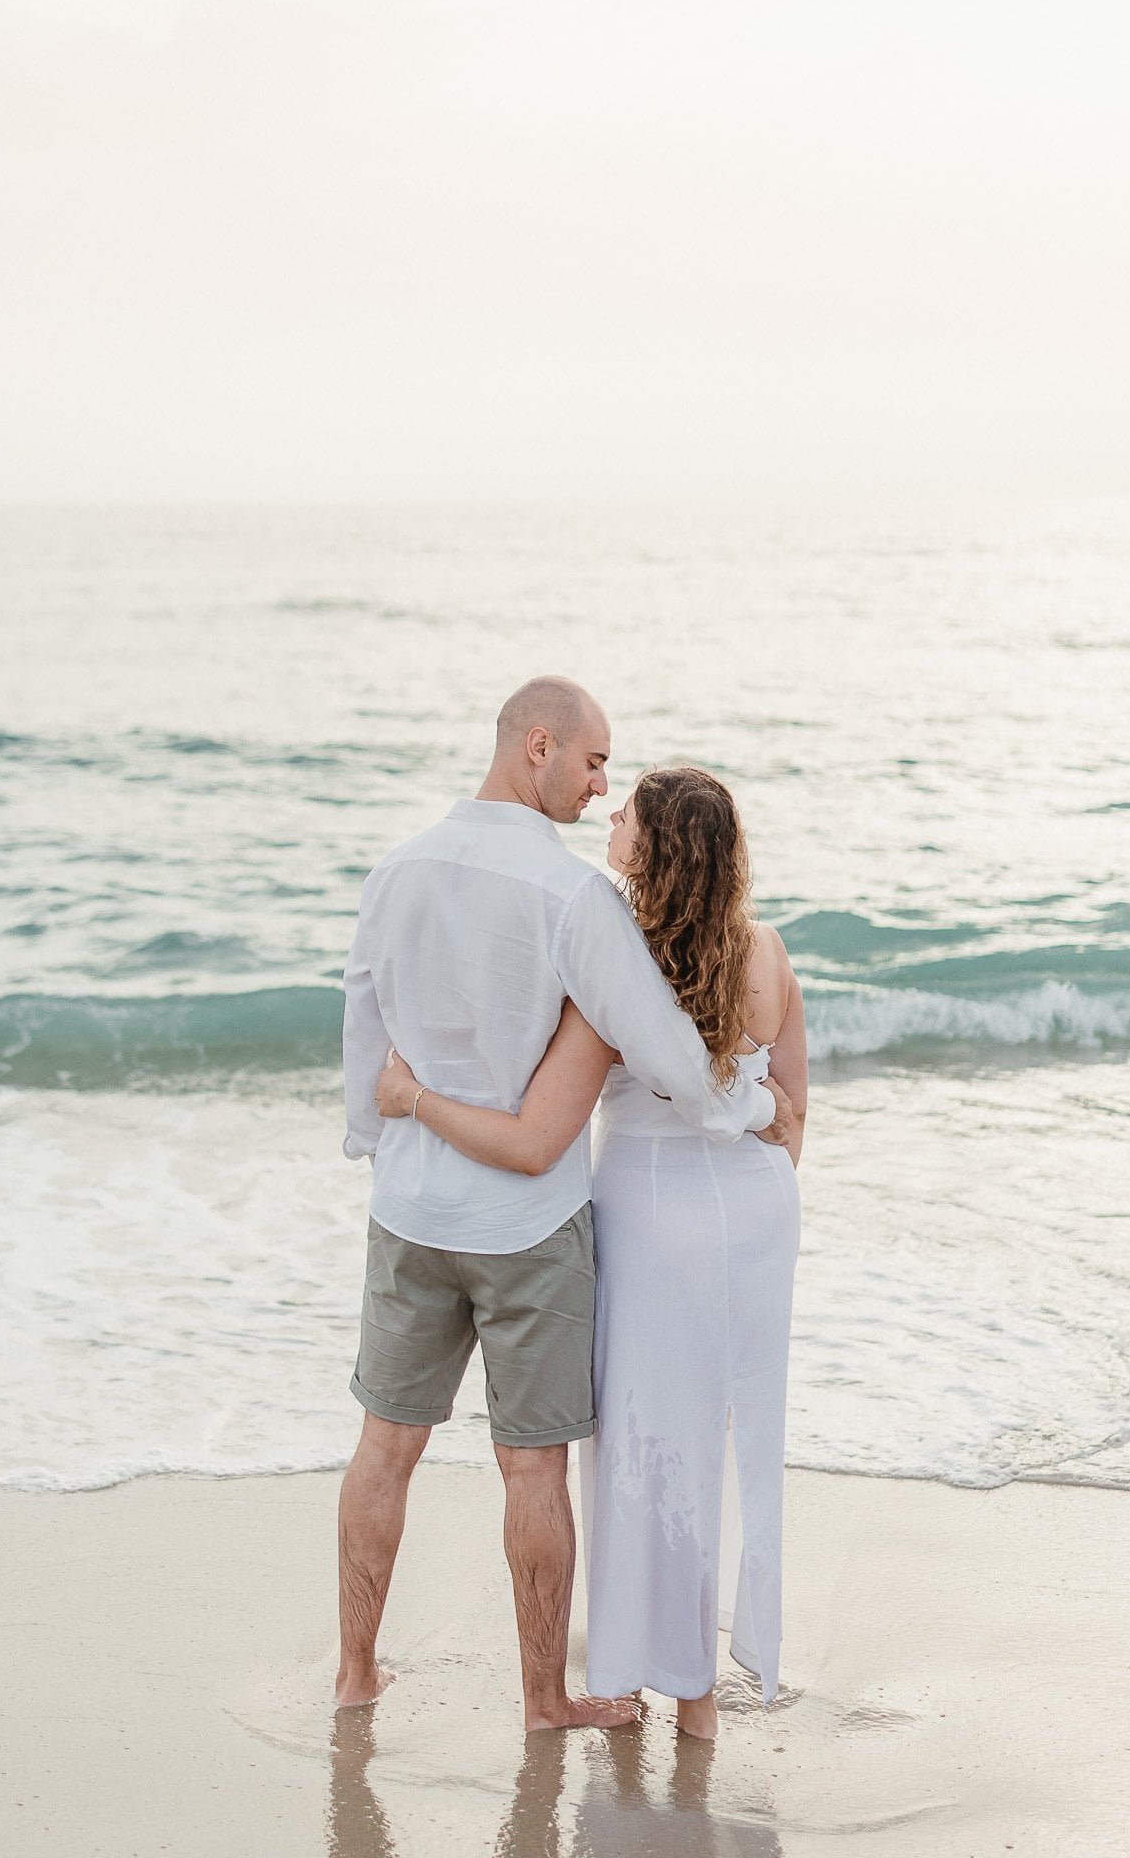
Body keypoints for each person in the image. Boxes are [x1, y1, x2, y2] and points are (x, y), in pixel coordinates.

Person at [338, 679, 797, 1732]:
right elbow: (673, 1059)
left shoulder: (394, 869)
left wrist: (383, 1140)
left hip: (409, 1209)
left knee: (384, 1446)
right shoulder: (573, 898)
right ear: (534, 746)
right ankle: (545, 1700)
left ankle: (356, 1671)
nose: (600, 788)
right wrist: (756, 1101)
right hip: (528, 1225)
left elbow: (363, 1025)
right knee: (532, 1464)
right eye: (593, 763)